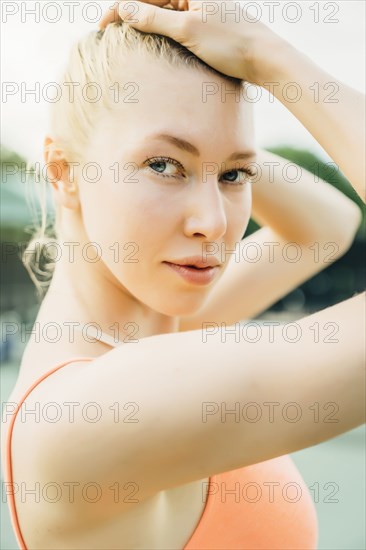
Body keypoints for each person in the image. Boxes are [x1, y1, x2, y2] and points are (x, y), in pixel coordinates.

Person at [1, 1, 365, 548]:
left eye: (234, 175)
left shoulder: (160, 328)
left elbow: (328, 224)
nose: (214, 223)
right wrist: (266, 56)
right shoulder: (84, 414)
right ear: (65, 173)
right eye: (162, 166)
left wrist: (193, 131)